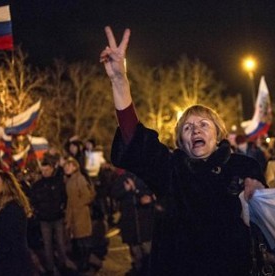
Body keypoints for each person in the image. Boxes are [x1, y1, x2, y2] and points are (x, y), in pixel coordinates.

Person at [101, 26, 265, 275]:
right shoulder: (169, 169)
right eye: (187, 128)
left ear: (218, 133)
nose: (195, 130)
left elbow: (265, 206)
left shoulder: (242, 166)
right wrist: (119, 80)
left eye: (203, 124)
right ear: (181, 140)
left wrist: (259, 194)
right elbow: (133, 136)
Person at [0, 171, 34, 274]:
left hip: (15, 264)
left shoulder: (12, 208)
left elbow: (8, 241)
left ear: (6, 185)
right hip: (5, 261)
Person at [31, 159, 77, 274]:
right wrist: (38, 211)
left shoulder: (58, 183)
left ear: (52, 169)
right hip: (44, 219)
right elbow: (34, 200)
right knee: (48, 245)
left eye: (47, 170)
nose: (45, 172)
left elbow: (64, 197)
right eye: (43, 170)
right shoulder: (37, 185)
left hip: (57, 217)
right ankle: (51, 267)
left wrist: (61, 208)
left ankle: (62, 264)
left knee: (60, 243)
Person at [111, 172, 155, 276]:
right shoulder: (123, 178)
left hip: (145, 221)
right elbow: (114, 193)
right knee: (135, 252)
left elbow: (155, 194)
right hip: (130, 221)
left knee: (148, 251)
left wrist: (148, 198)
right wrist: (125, 190)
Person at [64, 157, 96, 272]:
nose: (66, 168)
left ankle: (85, 263)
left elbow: (87, 196)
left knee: (84, 240)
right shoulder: (69, 180)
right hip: (75, 215)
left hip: (81, 214)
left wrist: (77, 205)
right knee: (79, 240)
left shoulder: (80, 179)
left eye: (68, 166)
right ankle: (83, 263)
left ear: (74, 167)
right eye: (65, 166)